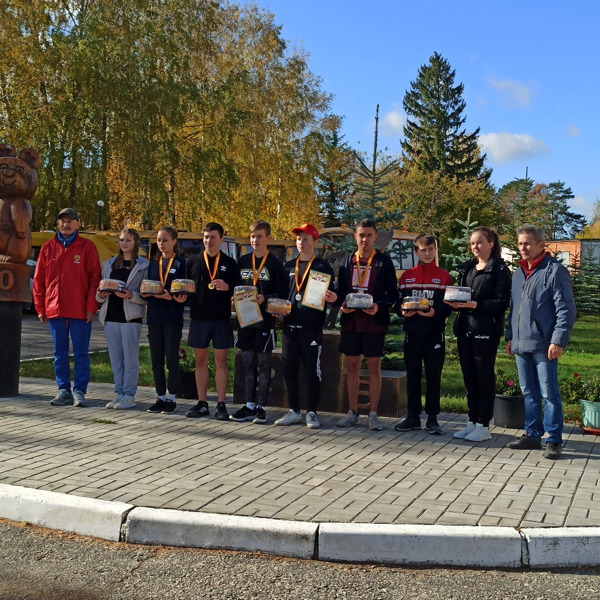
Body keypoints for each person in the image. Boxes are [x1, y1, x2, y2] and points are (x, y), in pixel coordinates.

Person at [505, 224, 576, 460]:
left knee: (549, 393)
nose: (522, 248)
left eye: (527, 243)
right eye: (519, 243)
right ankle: (533, 435)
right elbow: (514, 309)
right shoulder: (518, 273)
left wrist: (558, 340)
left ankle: (554, 439)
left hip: (545, 345)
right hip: (521, 343)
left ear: (539, 245)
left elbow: (565, 309)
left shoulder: (554, 271)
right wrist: (510, 337)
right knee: (528, 392)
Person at [446, 228, 511, 441]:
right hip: (465, 329)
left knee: (484, 377)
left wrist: (477, 305)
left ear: (491, 243)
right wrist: (455, 303)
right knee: (469, 378)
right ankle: (472, 421)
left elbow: (502, 303)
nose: (475, 247)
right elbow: (463, 295)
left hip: (485, 330)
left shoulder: (499, 270)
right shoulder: (468, 269)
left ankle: (484, 425)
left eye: (479, 242)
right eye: (472, 243)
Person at [33, 207, 101, 407]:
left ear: (78, 224)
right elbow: (39, 280)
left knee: (81, 352)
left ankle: (79, 390)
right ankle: (63, 390)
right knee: (59, 353)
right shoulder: (48, 247)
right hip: (56, 309)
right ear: (58, 224)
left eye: (70, 220)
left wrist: (91, 307)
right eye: (62, 221)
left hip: (80, 311)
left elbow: (94, 279)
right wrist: (40, 308)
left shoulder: (87, 247)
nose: (66, 224)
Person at [335, 218, 398, 431]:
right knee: (352, 366)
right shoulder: (346, 262)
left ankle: (373, 414)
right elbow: (339, 290)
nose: (365, 239)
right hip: (351, 321)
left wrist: (379, 306)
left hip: (373, 322)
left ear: (375, 237)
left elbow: (393, 294)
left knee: (373, 367)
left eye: (369, 235)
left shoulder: (384, 262)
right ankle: (352, 412)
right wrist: (342, 304)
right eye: (361, 235)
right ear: (355, 236)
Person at [274, 223, 337, 429]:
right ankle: (293, 411)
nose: (301, 242)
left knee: (312, 372)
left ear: (315, 242)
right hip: (290, 327)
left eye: (306, 239)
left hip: (311, 328)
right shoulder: (288, 266)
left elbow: (331, 296)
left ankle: (311, 412)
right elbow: (282, 295)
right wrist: (278, 308)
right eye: (299, 239)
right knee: (289, 370)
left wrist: (332, 297)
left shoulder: (322, 267)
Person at [395, 234, 452, 435]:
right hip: (412, 333)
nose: (427, 253)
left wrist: (436, 313)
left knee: (433, 376)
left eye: (430, 249)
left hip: (434, 334)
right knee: (413, 375)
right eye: (422, 250)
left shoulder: (444, 276)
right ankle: (412, 417)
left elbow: (448, 306)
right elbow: (398, 303)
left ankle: (433, 418)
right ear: (416, 252)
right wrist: (402, 311)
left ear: (435, 250)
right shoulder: (407, 276)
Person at [231, 220, 286, 424]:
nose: (255, 240)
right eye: (252, 236)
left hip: (265, 322)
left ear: (268, 238)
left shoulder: (275, 263)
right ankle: (249, 406)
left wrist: (267, 298)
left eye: (259, 236)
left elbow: (281, 292)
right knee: (248, 364)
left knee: (263, 365)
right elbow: (236, 288)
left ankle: (261, 407)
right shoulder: (243, 261)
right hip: (245, 321)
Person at [185, 222, 239, 421]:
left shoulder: (230, 263)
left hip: (221, 319)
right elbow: (186, 288)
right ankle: (201, 403)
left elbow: (238, 290)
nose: (209, 241)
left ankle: (222, 404)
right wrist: (183, 296)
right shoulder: (192, 261)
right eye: (206, 237)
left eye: (213, 237)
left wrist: (227, 287)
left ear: (221, 240)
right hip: (199, 318)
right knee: (200, 361)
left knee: (221, 362)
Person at [96, 229, 148, 410]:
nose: (124, 243)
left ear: (135, 243)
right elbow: (99, 295)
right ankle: (119, 393)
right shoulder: (109, 264)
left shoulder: (143, 266)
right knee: (116, 359)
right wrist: (100, 295)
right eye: (121, 240)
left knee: (130, 359)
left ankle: (129, 395)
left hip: (130, 319)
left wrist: (129, 295)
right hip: (110, 317)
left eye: (128, 240)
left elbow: (145, 296)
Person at [141, 227, 187, 415]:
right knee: (156, 359)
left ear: (174, 241)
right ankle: (160, 397)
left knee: (171, 359)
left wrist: (173, 297)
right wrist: (144, 293)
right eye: (159, 240)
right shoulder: (152, 264)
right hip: (154, 316)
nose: (161, 244)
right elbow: (146, 288)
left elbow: (186, 289)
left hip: (172, 317)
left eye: (165, 240)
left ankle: (172, 398)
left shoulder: (181, 263)